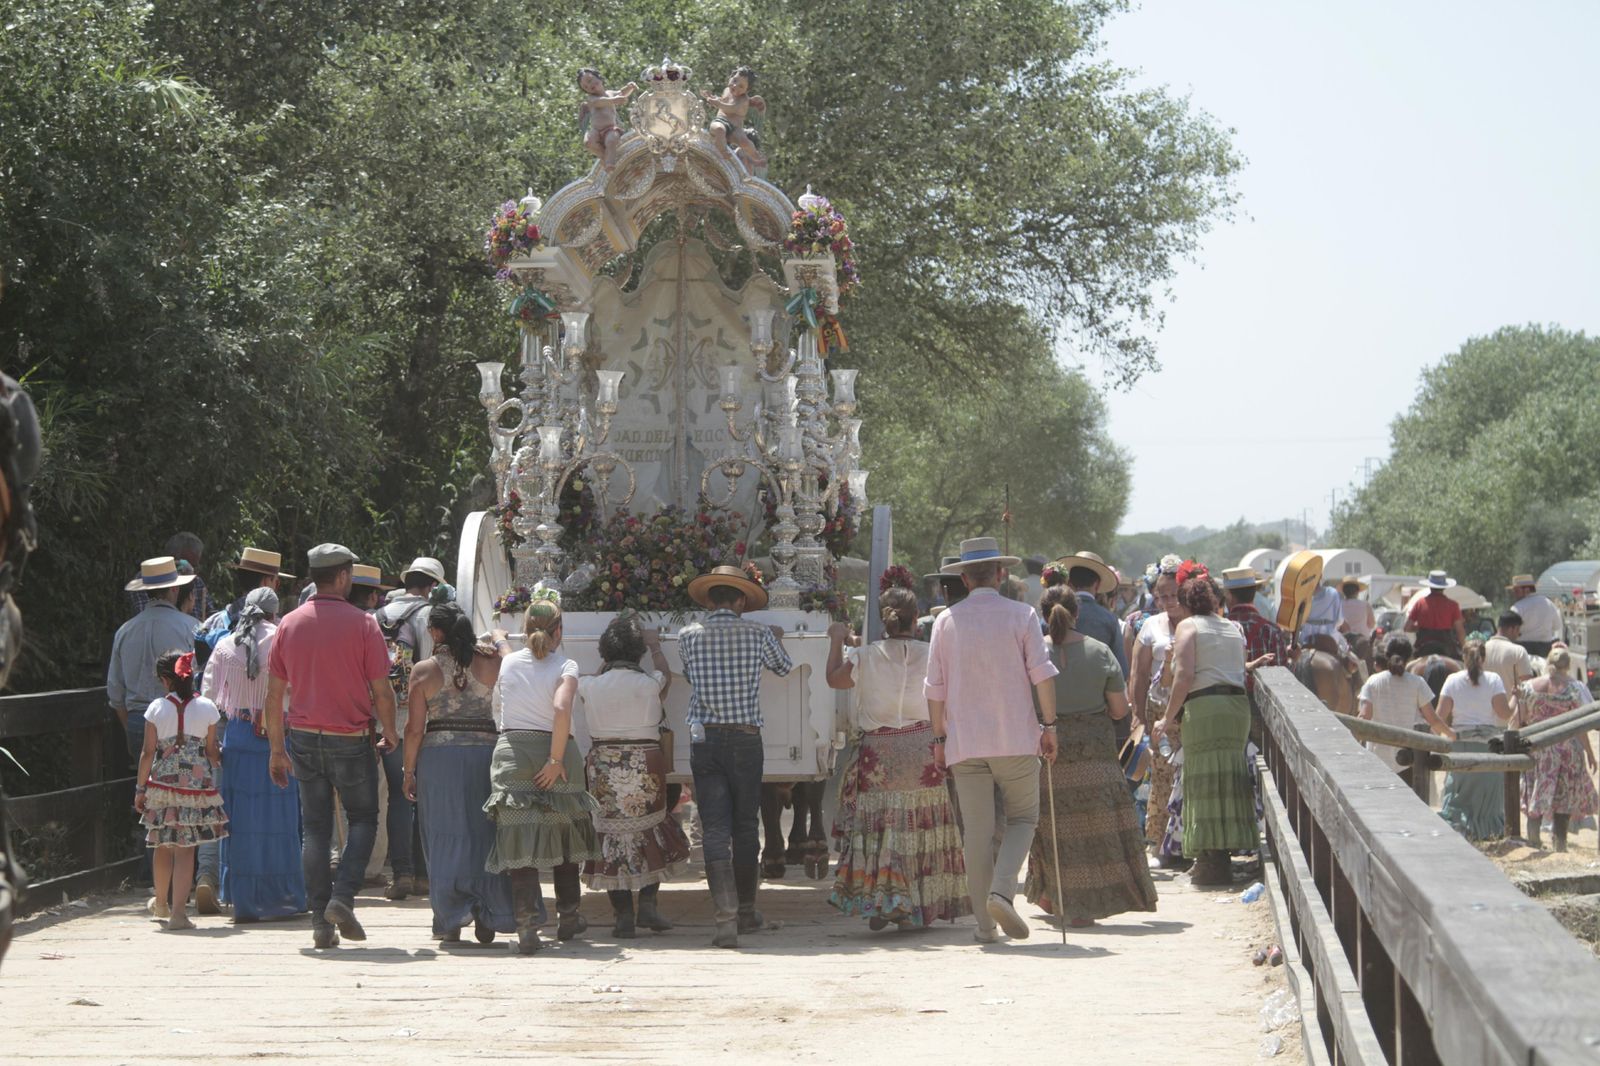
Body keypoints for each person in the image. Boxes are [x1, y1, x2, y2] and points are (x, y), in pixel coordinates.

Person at [924, 537, 1058, 943]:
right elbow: (1042, 673)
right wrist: (1050, 726)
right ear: (1000, 575)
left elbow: (934, 689)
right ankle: (1003, 889)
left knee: (976, 835)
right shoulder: (1023, 615)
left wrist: (939, 737)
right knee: (1023, 818)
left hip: (965, 742)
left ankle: (985, 926)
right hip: (1016, 737)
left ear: (964, 578)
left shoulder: (946, 621)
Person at [265, 543, 398, 950]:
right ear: (343, 577)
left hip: (304, 739)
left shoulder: (288, 624)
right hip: (352, 738)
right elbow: (381, 689)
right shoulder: (364, 625)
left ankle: (320, 923)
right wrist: (390, 731)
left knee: (315, 830)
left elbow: (273, 696)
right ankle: (343, 897)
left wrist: (276, 749)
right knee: (363, 820)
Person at [825, 576, 968, 931]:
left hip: (879, 754)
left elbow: (834, 680)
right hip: (923, 751)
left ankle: (882, 903)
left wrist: (836, 641)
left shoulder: (864, 656)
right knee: (918, 824)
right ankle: (913, 905)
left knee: (883, 826)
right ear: (916, 617)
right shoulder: (932, 653)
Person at [1022, 588, 1156, 926]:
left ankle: (1057, 897)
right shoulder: (1100, 653)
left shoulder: (1033, 654)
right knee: (1099, 826)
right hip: (1096, 754)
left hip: (1050, 753)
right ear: (1077, 614)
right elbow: (1119, 709)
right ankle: (1096, 900)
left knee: (1056, 828)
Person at [678, 565, 793, 948]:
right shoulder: (758, 632)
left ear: (709, 600)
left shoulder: (688, 636)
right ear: (742, 600)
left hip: (705, 740)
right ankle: (745, 910)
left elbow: (691, 676)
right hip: (746, 739)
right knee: (746, 825)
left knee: (714, 827)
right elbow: (783, 666)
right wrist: (776, 637)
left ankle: (723, 916)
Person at [484, 591, 599, 954]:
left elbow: (510, 657)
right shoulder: (566, 667)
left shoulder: (508, 664)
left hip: (514, 754)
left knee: (520, 840)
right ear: (559, 632)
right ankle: (568, 916)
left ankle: (527, 926)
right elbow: (561, 707)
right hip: (558, 753)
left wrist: (501, 638)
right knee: (565, 835)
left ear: (526, 630)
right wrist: (555, 759)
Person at [403, 603, 516, 944]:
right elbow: (514, 663)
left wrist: (409, 771)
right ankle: (488, 913)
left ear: (437, 632)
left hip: (440, 760)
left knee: (443, 836)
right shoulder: (490, 662)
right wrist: (499, 640)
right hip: (485, 755)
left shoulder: (423, 671)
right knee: (485, 834)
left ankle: (450, 918)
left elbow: (413, 730)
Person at [577, 615, 690, 937]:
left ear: (604, 653)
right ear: (638, 651)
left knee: (611, 834)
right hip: (645, 761)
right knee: (649, 829)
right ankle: (649, 907)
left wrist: (605, 663)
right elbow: (666, 675)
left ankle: (623, 914)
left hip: (603, 764)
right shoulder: (650, 683)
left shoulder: (590, 684)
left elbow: (596, 681)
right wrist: (655, 646)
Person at [201, 587, 306, 922]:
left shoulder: (224, 645)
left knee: (241, 821)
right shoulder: (284, 641)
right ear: (275, 613)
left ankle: (243, 900)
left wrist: (211, 744)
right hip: (278, 736)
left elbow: (209, 701)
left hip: (238, 736)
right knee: (281, 820)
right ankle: (282, 898)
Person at [1154, 562, 1255, 887]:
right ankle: (1225, 856)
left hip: (1205, 708)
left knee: (1202, 783)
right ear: (1214, 602)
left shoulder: (1188, 628)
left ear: (1185, 604)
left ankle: (1209, 863)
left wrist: (1166, 718)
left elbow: (1183, 676)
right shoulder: (1231, 627)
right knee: (1229, 780)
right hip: (1236, 709)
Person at [134, 650, 228, 930]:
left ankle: (160, 903)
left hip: (161, 786)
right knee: (186, 850)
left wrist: (141, 788)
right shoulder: (209, 708)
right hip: (195, 789)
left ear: (166, 680)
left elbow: (147, 752)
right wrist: (218, 755)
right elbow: (212, 752)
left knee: (163, 844)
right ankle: (178, 914)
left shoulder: (155, 709)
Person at [373, 557, 445, 900]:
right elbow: (432, 670)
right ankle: (424, 876)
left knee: (398, 800)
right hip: (420, 719)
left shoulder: (379, 615)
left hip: (383, 717)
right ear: (432, 586)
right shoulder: (428, 616)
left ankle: (400, 873)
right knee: (421, 795)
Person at [111, 558, 205, 762]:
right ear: (174, 589)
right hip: (177, 720)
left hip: (137, 721)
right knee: (178, 788)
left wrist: (132, 725)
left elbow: (115, 691)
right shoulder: (191, 627)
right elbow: (201, 680)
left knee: (146, 785)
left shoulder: (125, 631)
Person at [1130, 563, 1188, 866]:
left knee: (1188, 776)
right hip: (1159, 713)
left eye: (1175, 594)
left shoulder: (1196, 622)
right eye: (1163, 596)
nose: (1170, 601)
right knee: (1162, 775)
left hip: (1190, 711)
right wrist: (1137, 716)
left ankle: (1190, 841)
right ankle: (1161, 843)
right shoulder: (1151, 627)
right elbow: (1138, 674)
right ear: (1155, 597)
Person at [1516, 648, 1598, 851]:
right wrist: (1589, 752)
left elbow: (1522, 718)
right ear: (1568, 665)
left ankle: (1533, 840)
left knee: (1536, 796)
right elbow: (1579, 726)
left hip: (1538, 749)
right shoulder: (1574, 689)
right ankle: (1559, 844)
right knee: (1564, 800)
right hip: (1566, 751)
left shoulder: (1528, 687)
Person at [1435, 638, 1513, 840]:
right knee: (1488, 795)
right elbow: (1505, 714)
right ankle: (1487, 834)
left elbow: (1438, 718)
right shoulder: (1494, 680)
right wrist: (1516, 697)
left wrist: (1450, 733)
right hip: (1487, 746)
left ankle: (1460, 830)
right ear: (1484, 659)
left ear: (1463, 657)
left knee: (1458, 791)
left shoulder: (1452, 680)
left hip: (1460, 745)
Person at [1357, 637, 1453, 780]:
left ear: (1386, 655)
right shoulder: (1417, 683)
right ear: (1409, 657)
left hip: (1378, 759)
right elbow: (1432, 719)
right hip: (1408, 760)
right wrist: (1450, 733)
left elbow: (1364, 717)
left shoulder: (1373, 681)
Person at [195, 547, 292, 672]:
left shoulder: (212, 623)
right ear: (265, 584)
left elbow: (197, 670)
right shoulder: (280, 629)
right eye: (276, 582)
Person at [127, 533, 213, 622]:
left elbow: (211, 614)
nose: (190, 569)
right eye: (186, 563)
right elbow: (146, 618)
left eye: (194, 566)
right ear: (172, 557)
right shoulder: (146, 580)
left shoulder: (196, 581)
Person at [1404, 571, 1466, 658]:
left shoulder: (1420, 603)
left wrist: (1419, 627)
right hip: (1446, 643)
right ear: (1444, 587)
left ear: (1430, 586)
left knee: (1410, 665)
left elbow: (1407, 627)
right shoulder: (1453, 605)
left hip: (1423, 643)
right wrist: (1464, 647)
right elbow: (1460, 631)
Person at [1483, 611, 1536, 697]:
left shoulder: (1481, 649)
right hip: (1511, 708)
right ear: (1512, 629)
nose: (1518, 635)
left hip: (1485, 708)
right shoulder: (1518, 651)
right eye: (1518, 631)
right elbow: (1527, 685)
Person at [1508, 575, 1562, 658]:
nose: (1514, 594)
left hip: (1522, 650)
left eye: (1516, 590)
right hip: (1545, 650)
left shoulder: (1517, 608)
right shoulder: (1549, 604)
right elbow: (1557, 626)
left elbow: (1509, 631)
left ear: (1526, 590)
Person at [1339, 577, 1376, 654]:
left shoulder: (1338, 605)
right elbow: (1371, 624)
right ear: (1357, 591)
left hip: (1343, 641)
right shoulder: (1365, 605)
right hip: (1362, 640)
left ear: (1343, 591)